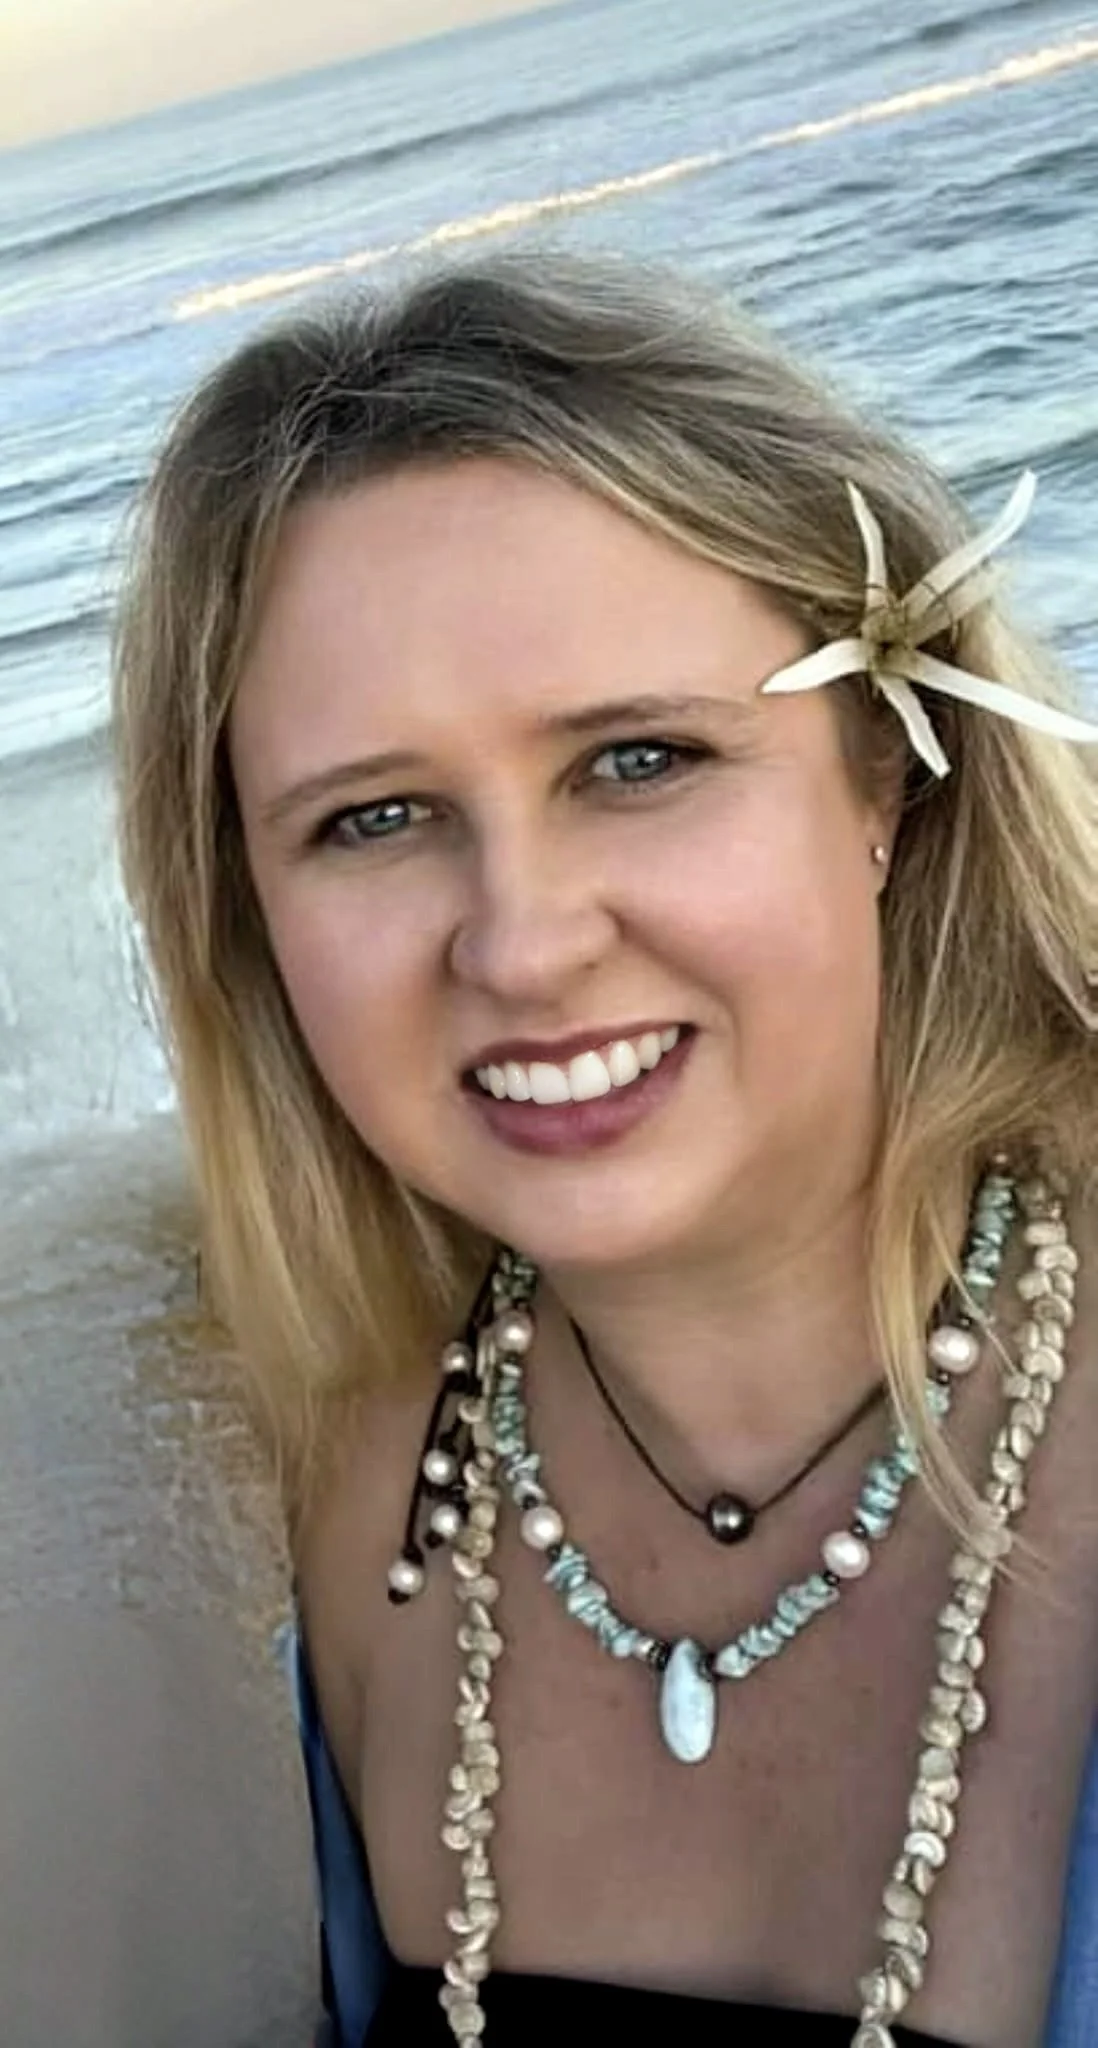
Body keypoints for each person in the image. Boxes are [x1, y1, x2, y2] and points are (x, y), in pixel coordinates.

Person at [112, 249, 1098, 2048]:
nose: (522, 942)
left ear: (888, 773)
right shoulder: (302, 1500)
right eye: (376, 817)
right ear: (244, 906)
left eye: (636, 761)